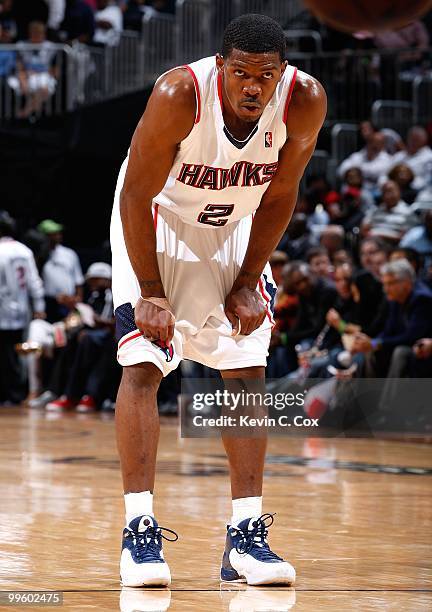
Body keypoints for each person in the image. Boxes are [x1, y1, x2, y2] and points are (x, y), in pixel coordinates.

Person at [110, 14, 326, 587]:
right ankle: (139, 531)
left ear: (282, 73)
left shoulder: (304, 101)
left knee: (247, 368)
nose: (254, 86)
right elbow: (136, 192)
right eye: (242, 73)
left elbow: (281, 193)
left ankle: (246, 539)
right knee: (143, 362)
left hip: (237, 223)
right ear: (221, 66)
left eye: (266, 74)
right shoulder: (180, 93)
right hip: (160, 219)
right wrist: (151, 293)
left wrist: (247, 279)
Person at [351, 259, 432, 376]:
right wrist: (371, 343)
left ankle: (390, 395)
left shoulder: (422, 299)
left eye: (390, 283)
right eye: (384, 284)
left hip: (421, 350)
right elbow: (388, 331)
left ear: (406, 283)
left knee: (400, 352)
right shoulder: (395, 299)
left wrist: (376, 343)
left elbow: (411, 337)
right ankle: (368, 393)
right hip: (404, 344)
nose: (385, 289)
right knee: (370, 351)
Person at [0, 210, 45, 405]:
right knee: (19, 352)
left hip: (2, 309)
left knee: (5, 354)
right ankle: (18, 392)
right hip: (22, 309)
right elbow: (34, 282)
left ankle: (8, 394)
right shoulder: (24, 250)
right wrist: (39, 306)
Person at [384, 127, 432, 191]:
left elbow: (426, 180)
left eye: (416, 140)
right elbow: (385, 173)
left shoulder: (429, 157)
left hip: (417, 192)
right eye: (411, 139)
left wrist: (408, 182)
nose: (412, 142)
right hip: (394, 189)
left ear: (424, 141)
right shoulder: (399, 156)